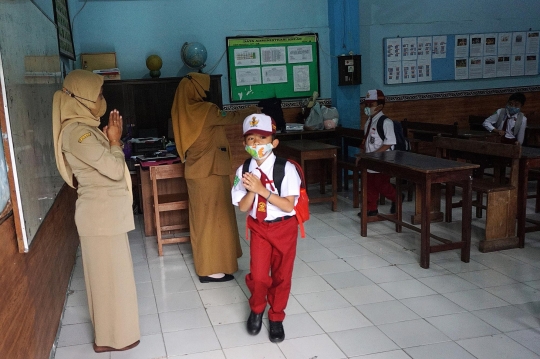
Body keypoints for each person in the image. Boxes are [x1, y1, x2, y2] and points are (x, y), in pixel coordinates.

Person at [52, 70, 140, 353]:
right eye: (98, 95)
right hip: (100, 218)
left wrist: (110, 141)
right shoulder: (76, 133)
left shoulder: (84, 128)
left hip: (106, 216)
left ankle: (116, 334)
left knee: (114, 279)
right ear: (82, 98)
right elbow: (115, 169)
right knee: (106, 282)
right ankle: (108, 339)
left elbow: (106, 164)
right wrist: (114, 141)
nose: (102, 100)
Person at [170, 72, 261, 283]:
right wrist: (254, 111)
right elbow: (233, 118)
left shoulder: (181, 111)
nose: (206, 93)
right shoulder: (205, 110)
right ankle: (211, 269)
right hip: (210, 173)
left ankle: (217, 263)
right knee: (214, 220)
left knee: (205, 220)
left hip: (197, 173)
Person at [231, 113, 301, 343]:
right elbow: (242, 207)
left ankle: (276, 317)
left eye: (262, 137)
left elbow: (289, 206)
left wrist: (263, 190)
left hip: (285, 228)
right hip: (259, 227)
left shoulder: (286, 168)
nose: (257, 143)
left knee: (282, 276)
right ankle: (257, 308)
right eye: (251, 139)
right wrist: (253, 188)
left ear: (274, 142)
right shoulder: (243, 171)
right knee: (259, 276)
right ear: (244, 144)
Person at [360, 89, 398, 217]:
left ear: (380, 106)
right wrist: (362, 154)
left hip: (382, 159)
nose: (368, 108)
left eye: (371, 105)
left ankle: (397, 198)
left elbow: (389, 142)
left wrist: (375, 154)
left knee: (381, 185)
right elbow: (366, 139)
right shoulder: (369, 121)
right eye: (366, 105)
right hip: (370, 159)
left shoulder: (386, 122)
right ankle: (372, 208)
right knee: (369, 184)